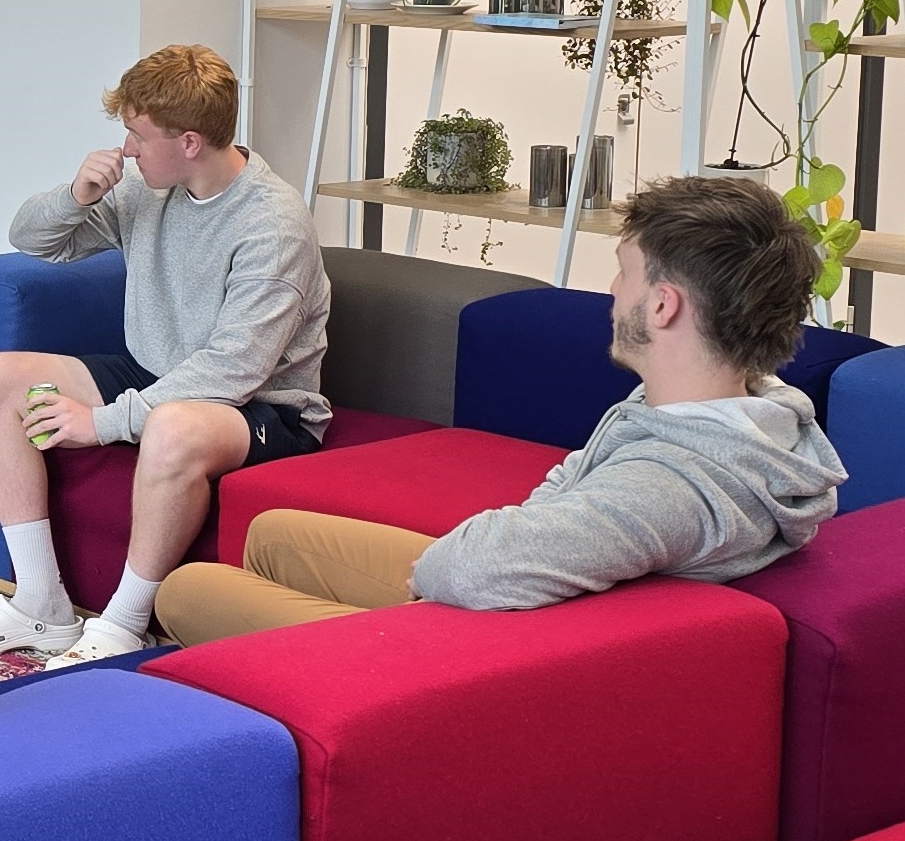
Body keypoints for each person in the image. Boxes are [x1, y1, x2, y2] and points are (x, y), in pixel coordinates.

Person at [154, 177, 846, 642]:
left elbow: (476, 571)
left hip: (481, 646)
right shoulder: (744, 409)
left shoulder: (663, 490)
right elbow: (564, 488)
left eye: (625, 272)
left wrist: (450, 567)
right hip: (511, 593)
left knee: (187, 592)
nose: (612, 291)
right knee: (274, 535)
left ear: (663, 305)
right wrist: (476, 553)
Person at [0, 44, 330, 665]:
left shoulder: (273, 223)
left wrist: (101, 423)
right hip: (159, 369)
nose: (126, 149)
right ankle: (40, 604)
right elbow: (34, 241)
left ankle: (123, 625)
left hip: (263, 407)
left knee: (174, 426)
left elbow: (233, 369)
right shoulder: (147, 190)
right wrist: (76, 195)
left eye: (138, 136)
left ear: (189, 142)